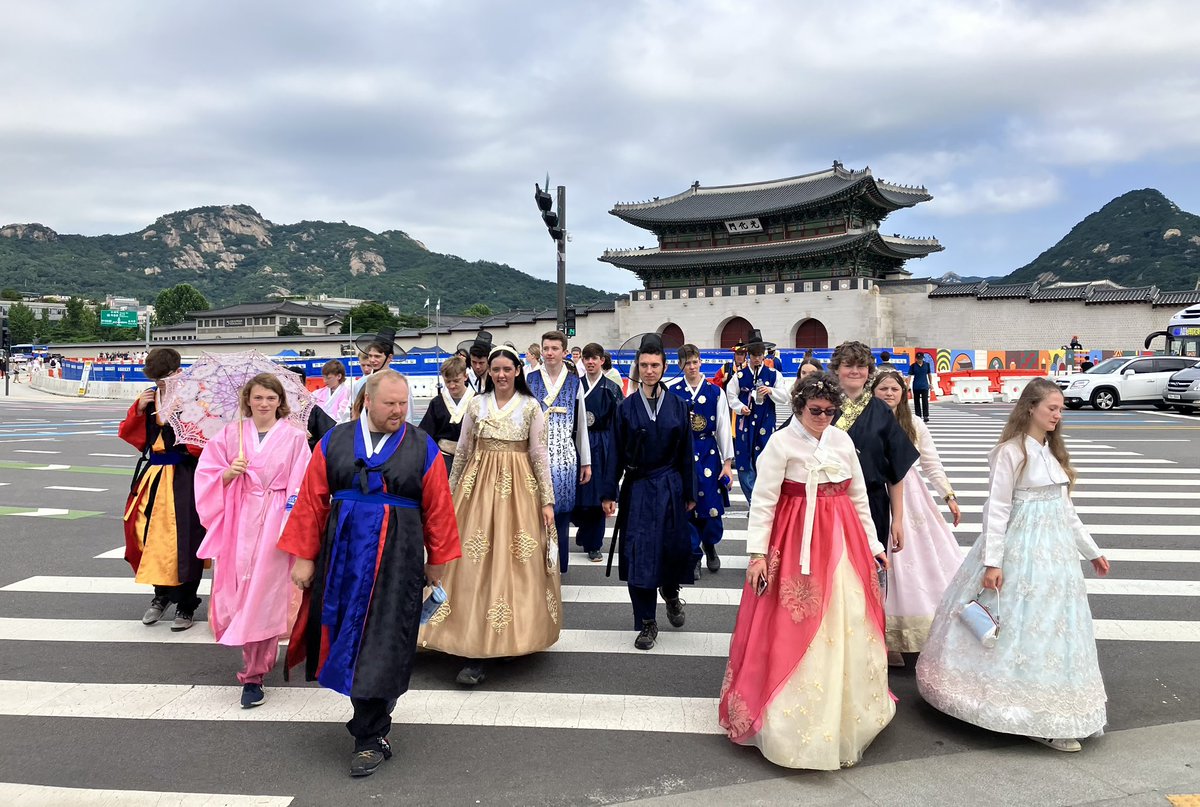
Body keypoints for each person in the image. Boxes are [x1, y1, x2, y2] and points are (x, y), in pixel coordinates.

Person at [277, 370, 461, 777]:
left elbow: (439, 506)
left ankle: (371, 734)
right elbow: (311, 500)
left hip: (399, 555)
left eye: (403, 404)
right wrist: (304, 558)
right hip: (343, 554)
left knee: (385, 638)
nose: (399, 411)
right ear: (367, 402)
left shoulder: (421, 445)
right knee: (348, 632)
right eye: (390, 404)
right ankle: (373, 714)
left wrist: (439, 560)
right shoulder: (335, 441)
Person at [917, 378, 1109, 754]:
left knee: (1055, 629)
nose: (1057, 415)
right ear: (1030, 408)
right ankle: (1014, 708)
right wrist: (993, 561)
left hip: (1055, 559)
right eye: (1052, 408)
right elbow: (997, 509)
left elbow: (1065, 512)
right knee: (1013, 624)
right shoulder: (1011, 452)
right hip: (1021, 550)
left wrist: (1091, 551)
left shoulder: (1051, 452)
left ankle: (1054, 711)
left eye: (1060, 409)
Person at [719, 373, 894, 770]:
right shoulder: (781, 443)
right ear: (798, 406)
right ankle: (785, 712)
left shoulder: (841, 440)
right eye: (815, 410)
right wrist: (757, 555)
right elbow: (763, 502)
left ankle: (849, 712)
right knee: (792, 623)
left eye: (830, 411)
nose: (823, 417)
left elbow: (859, 496)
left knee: (847, 617)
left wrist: (873, 544)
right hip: (796, 537)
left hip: (843, 537)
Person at [419, 344, 560, 686]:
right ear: (487, 372)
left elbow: (539, 453)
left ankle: (511, 637)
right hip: (476, 487)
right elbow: (464, 450)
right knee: (471, 562)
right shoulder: (476, 404)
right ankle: (470, 644)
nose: (500, 374)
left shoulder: (530, 406)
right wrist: (450, 495)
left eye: (507, 369)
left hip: (519, 491)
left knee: (514, 563)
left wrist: (547, 500)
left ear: (517, 372)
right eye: (495, 369)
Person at [194, 374, 310, 708]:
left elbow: (299, 484)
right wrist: (228, 473)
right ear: (248, 399)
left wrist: (289, 523)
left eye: (270, 398)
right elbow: (206, 475)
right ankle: (249, 655)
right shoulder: (231, 434)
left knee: (266, 594)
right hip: (239, 519)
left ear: (279, 401)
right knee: (239, 591)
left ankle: (255, 674)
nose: (263, 404)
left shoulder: (293, 438)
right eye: (258, 398)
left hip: (275, 517)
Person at [603, 333, 697, 650]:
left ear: (664, 366)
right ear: (637, 366)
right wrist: (608, 492)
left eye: (655, 365)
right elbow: (615, 452)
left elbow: (686, 452)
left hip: (670, 485)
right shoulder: (626, 408)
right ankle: (646, 622)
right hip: (639, 488)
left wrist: (690, 494)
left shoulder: (678, 406)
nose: (649, 370)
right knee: (638, 554)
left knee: (670, 552)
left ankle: (670, 594)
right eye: (644, 364)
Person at [871, 370, 963, 665]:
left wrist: (948, 496)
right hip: (874, 493)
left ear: (903, 393)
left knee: (915, 562)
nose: (888, 393)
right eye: (883, 388)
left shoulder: (914, 424)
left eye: (894, 389)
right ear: (873, 392)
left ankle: (918, 633)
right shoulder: (866, 422)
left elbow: (932, 463)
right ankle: (886, 638)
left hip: (910, 497)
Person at [118, 347, 206, 631]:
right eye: (156, 380)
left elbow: (202, 444)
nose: (159, 384)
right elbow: (133, 436)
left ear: (177, 372)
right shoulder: (149, 397)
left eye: (163, 378)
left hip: (185, 475)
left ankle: (186, 602)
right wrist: (139, 410)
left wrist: (187, 417)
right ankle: (161, 595)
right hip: (154, 476)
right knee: (146, 535)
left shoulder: (195, 398)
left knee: (187, 539)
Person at [831, 341, 919, 554]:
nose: (855, 371)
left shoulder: (881, 410)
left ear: (869, 371)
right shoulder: (820, 405)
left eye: (861, 366)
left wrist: (897, 520)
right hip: (828, 503)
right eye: (848, 365)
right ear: (836, 369)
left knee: (870, 572)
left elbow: (896, 471)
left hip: (873, 504)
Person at [526, 330, 592, 570]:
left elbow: (582, 425)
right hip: (535, 455)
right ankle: (535, 567)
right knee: (534, 512)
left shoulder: (575, 383)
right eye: (546, 348)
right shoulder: (530, 380)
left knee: (562, 513)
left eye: (555, 349)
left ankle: (558, 566)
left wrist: (586, 461)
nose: (550, 353)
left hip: (565, 455)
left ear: (565, 352)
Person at [670, 343, 733, 576]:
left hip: (708, 452)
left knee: (710, 504)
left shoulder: (715, 392)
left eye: (695, 362)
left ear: (701, 362)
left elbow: (724, 428)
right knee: (687, 504)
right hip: (682, 454)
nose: (692, 367)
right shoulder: (673, 391)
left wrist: (727, 464)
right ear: (680, 365)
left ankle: (710, 546)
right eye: (687, 363)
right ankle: (694, 553)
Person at [573, 343, 623, 563]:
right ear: (583, 361)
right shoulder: (576, 385)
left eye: (595, 358)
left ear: (602, 360)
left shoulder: (611, 388)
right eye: (587, 358)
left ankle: (595, 544)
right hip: (579, 441)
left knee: (599, 493)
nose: (591, 362)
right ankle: (585, 530)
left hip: (603, 441)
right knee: (579, 492)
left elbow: (619, 421)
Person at [726, 329, 789, 502]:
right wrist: (740, 408)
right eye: (753, 354)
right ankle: (753, 502)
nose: (756, 358)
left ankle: (763, 501)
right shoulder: (739, 376)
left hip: (765, 423)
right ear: (748, 355)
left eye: (759, 354)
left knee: (765, 462)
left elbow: (784, 396)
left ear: (763, 355)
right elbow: (730, 396)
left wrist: (770, 391)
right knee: (745, 463)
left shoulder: (773, 374)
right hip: (745, 424)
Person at [418, 355, 474, 475]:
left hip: (472, 460)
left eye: (456, 381)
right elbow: (426, 435)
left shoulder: (477, 401)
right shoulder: (437, 403)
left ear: (465, 376)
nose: (452, 385)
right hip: (443, 459)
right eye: (448, 381)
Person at [348, 327, 399, 413]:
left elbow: (407, 415)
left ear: (389, 357)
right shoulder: (360, 383)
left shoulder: (399, 381)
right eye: (370, 356)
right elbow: (355, 410)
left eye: (377, 356)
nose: (372, 360)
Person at [907, 352, 933, 423]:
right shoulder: (913, 366)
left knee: (925, 401)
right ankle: (918, 416)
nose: (919, 360)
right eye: (918, 359)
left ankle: (926, 416)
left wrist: (931, 383)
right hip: (916, 386)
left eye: (921, 358)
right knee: (916, 402)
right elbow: (909, 376)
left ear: (923, 358)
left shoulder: (927, 365)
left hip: (924, 386)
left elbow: (929, 374)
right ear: (916, 358)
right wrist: (908, 385)